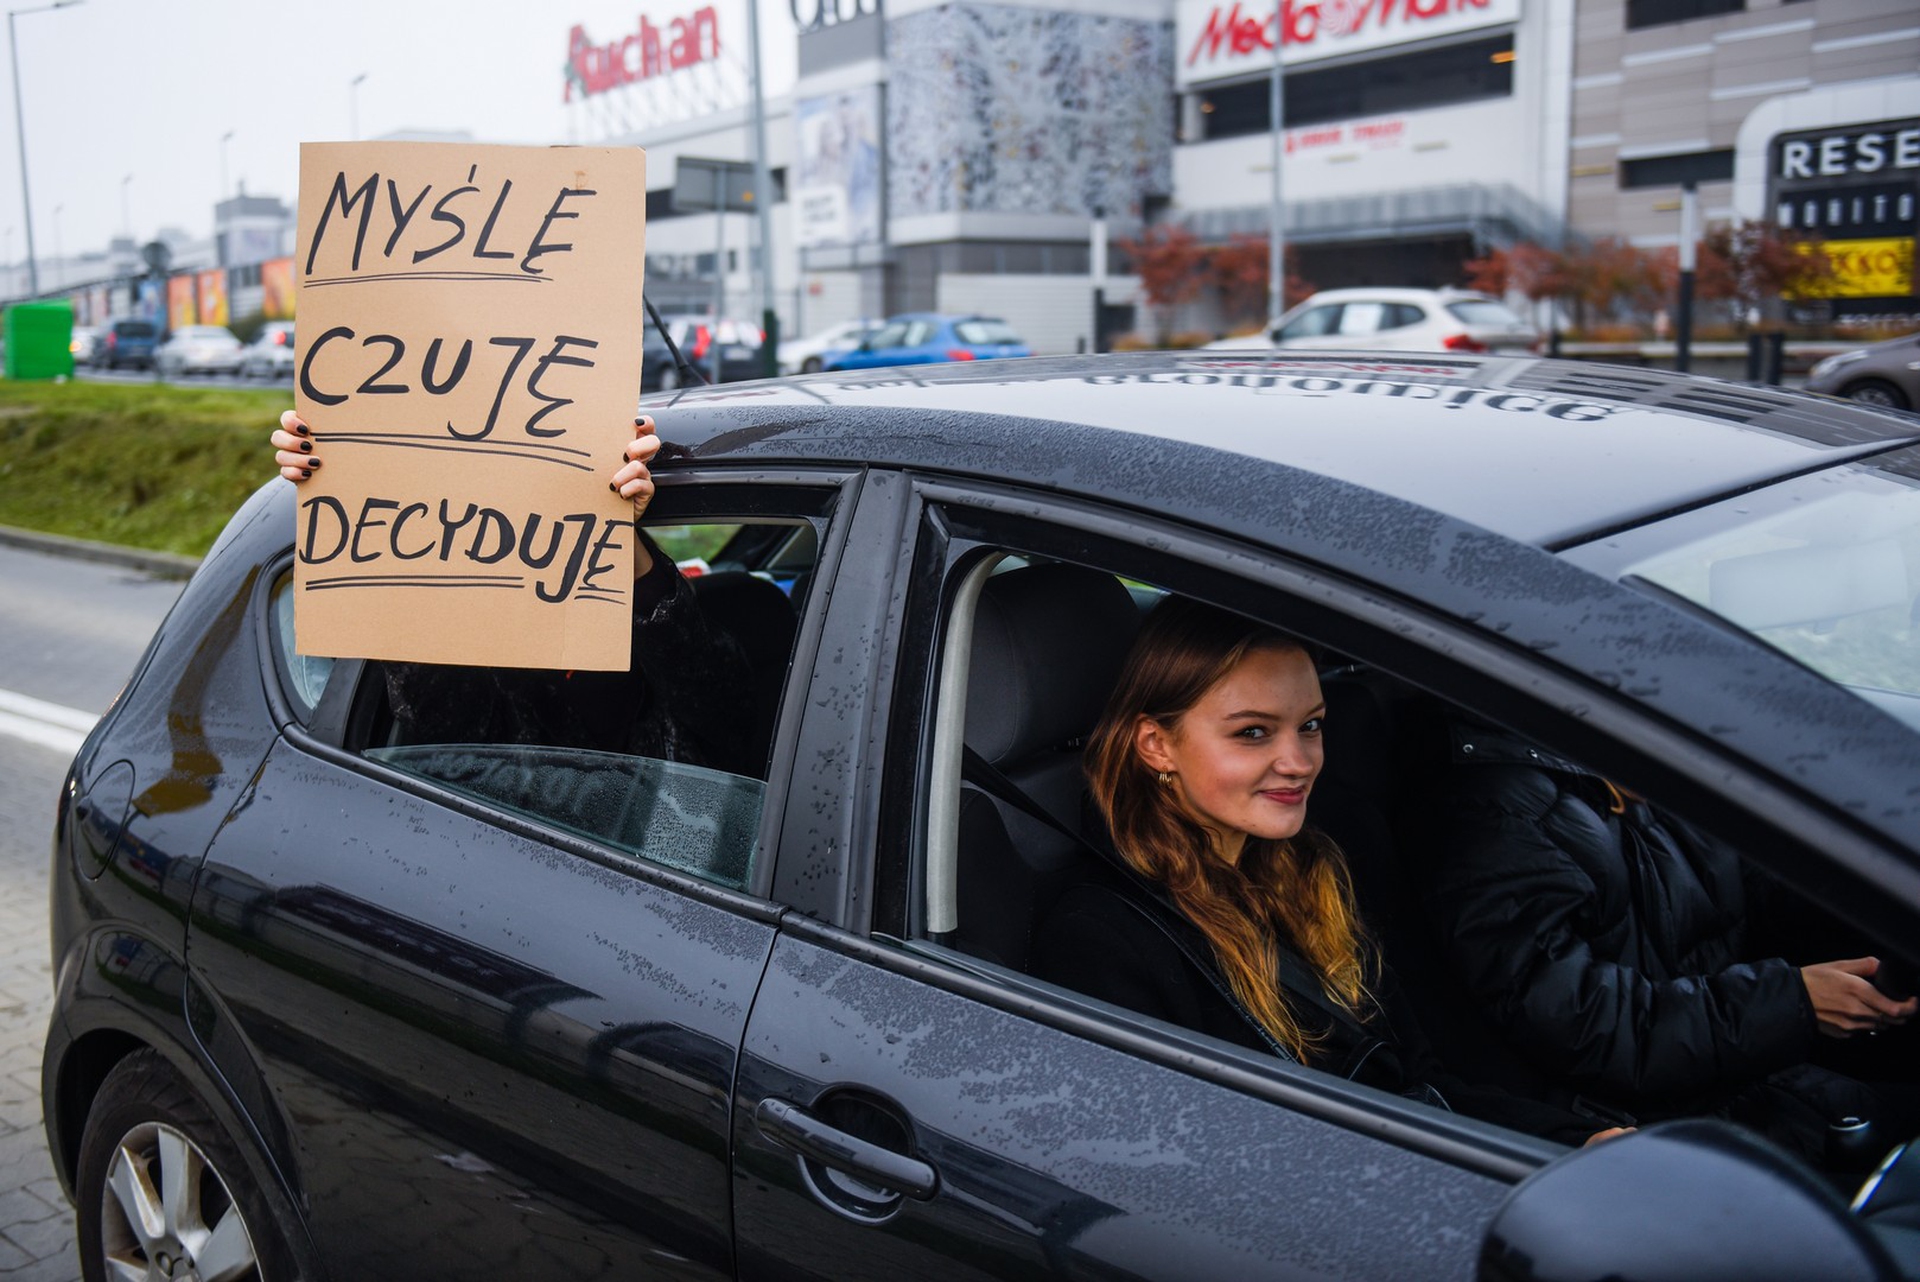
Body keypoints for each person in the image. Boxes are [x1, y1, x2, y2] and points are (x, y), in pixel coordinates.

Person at [1030, 596, 1619, 1147]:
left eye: (1309, 725)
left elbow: (1418, 1085)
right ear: (1157, 745)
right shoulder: (1100, 937)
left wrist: (1574, 1142)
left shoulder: (1310, 867)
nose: (1299, 762)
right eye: (1253, 732)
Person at [1415, 715, 1917, 1162]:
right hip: (1647, 1124)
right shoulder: (1499, 815)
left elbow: (1754, 891)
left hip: (1733, 1072)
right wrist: (1791, 1004)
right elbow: (1587, 1024)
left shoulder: (1638, 776)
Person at [269, 410, 759, 775]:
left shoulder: (651, 622)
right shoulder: (476, 650)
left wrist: (617, 535)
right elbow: (444, 727)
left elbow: (721, 701)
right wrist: (351, 477)